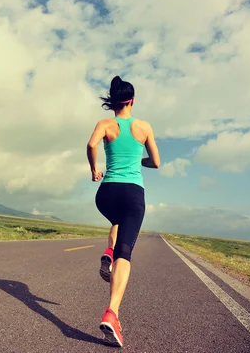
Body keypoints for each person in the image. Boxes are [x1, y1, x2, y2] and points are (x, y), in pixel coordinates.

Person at [86, 75, 161, 347]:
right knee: (125, 252)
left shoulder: (105, 124)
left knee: (116, 220)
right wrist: (137, 159)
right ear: (132, 100)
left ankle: (109, 251)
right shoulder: (143, 127)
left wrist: (95, 169)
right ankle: (112, 312)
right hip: (132, 194)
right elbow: (157, 162)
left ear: (114, 101)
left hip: (106, 193)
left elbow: (92, 145)